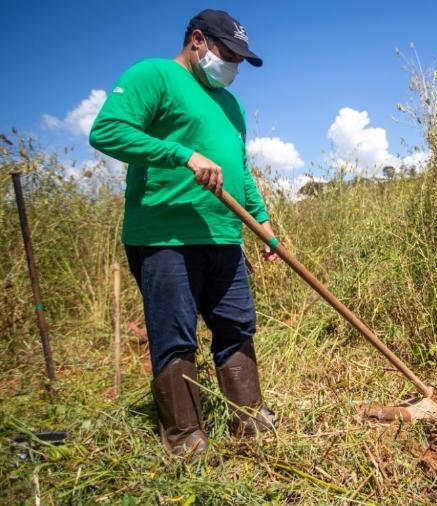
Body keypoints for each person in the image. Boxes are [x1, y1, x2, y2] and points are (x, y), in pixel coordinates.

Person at [90, 9, 276, 457]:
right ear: (197, 40)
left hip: (224, 235)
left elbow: (240, 169)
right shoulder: (153, 75)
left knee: (236, 326)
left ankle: (249, 421)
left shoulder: (231, 105)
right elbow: (107, 131)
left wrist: (263, 223)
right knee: (176, 335)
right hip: (164, 236)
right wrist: (181, 154)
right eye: (227, 54)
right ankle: (186, 441)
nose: (232, 66)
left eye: (238, 59)